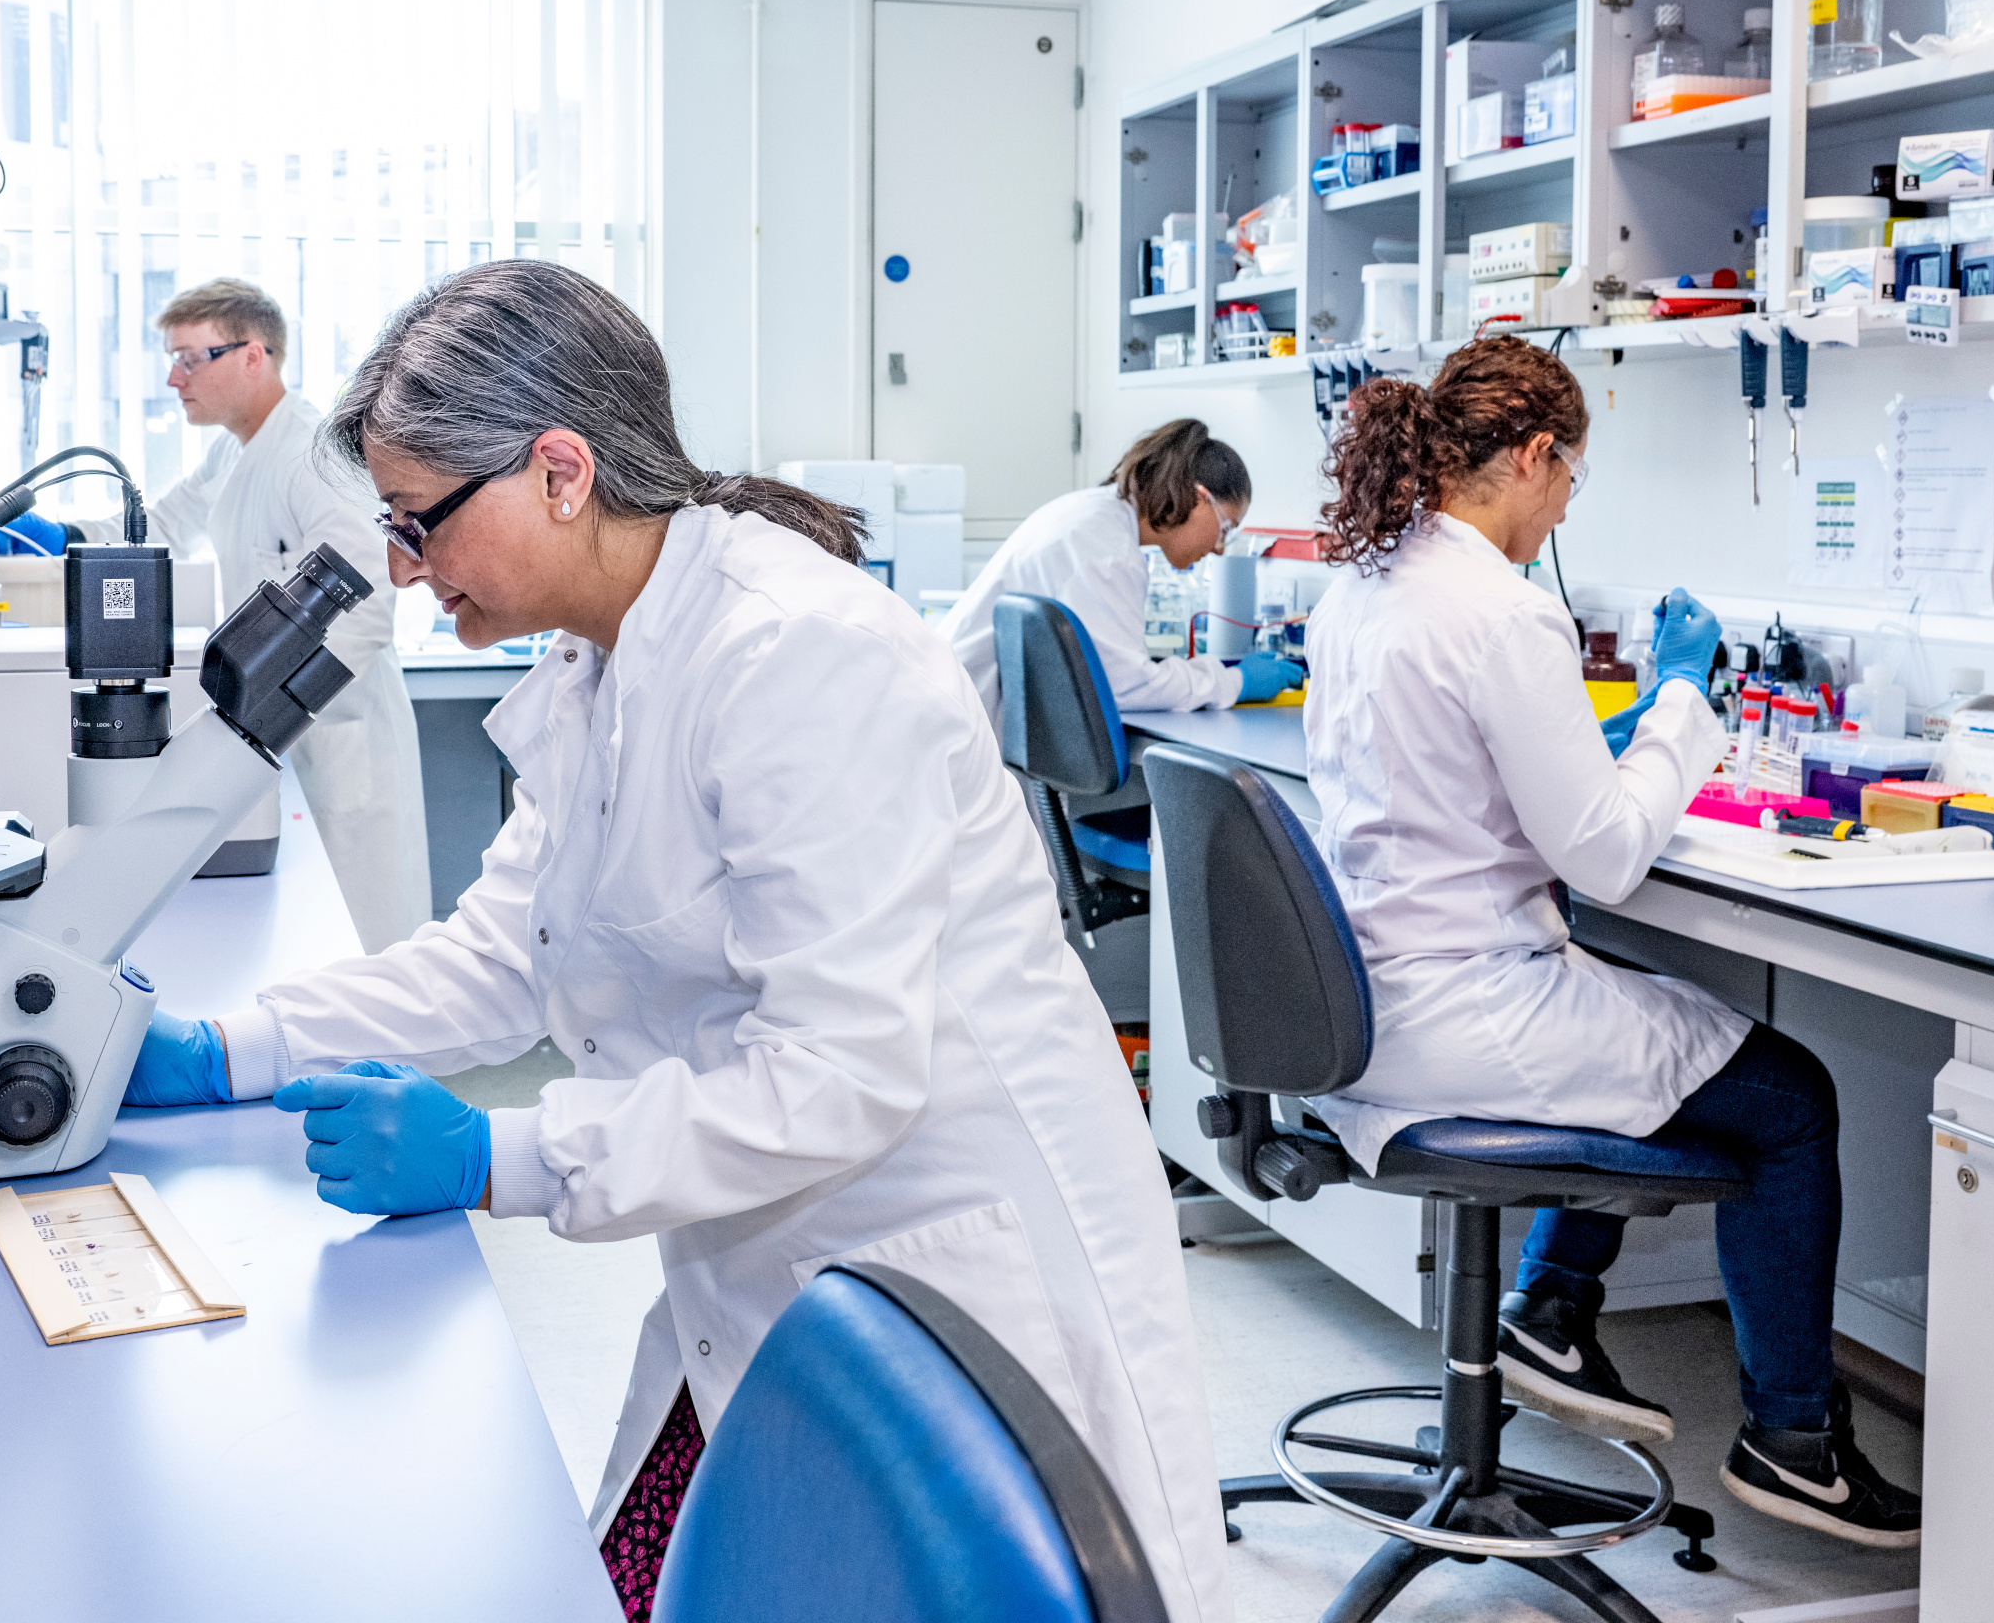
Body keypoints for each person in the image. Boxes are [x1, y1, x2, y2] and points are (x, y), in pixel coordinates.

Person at [122, 260, 1232, 1623]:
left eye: (419, 525)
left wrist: (499, 1158)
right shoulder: (600, 658)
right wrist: (227, 1048)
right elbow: (505, 952)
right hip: (771, 1258)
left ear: (561, 472)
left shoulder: (800, 658)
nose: (407, 576)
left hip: (954, 1269)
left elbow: (840, 1077)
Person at [1301, 337, 1920, 1549]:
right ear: (1533, 456)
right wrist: (1686, 696)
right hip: (1467, 1009)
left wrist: (1622, 729)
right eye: (1571, 476)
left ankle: (1551, 1307)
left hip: (1373, 995)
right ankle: (1796, 1441)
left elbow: (1468, 769)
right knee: (1788, 1097)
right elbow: (1604, 857)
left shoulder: (1365, 585)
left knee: (1674, 1042)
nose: (1567, 502)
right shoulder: (1503, 611)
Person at [0, 279, 431, 950]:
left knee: (365, 936)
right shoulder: (234, 449)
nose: (173, 376)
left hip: (337, 735)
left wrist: (265, 712)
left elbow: (366, 601)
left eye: (191, 357)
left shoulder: (313, 452)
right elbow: (158, 524)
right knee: (302, 939)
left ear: (255, 356)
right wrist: (60, 538)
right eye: (173, 358)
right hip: (276, 740)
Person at [938, 418, 1298, 731]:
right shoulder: (1108, 550)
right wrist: (1235, 682)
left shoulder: (1097, 517)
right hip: (956, 720)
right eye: (1226, 528)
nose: (1220, 548)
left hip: (963, 710)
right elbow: (1126, 686)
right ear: (1200, 498)